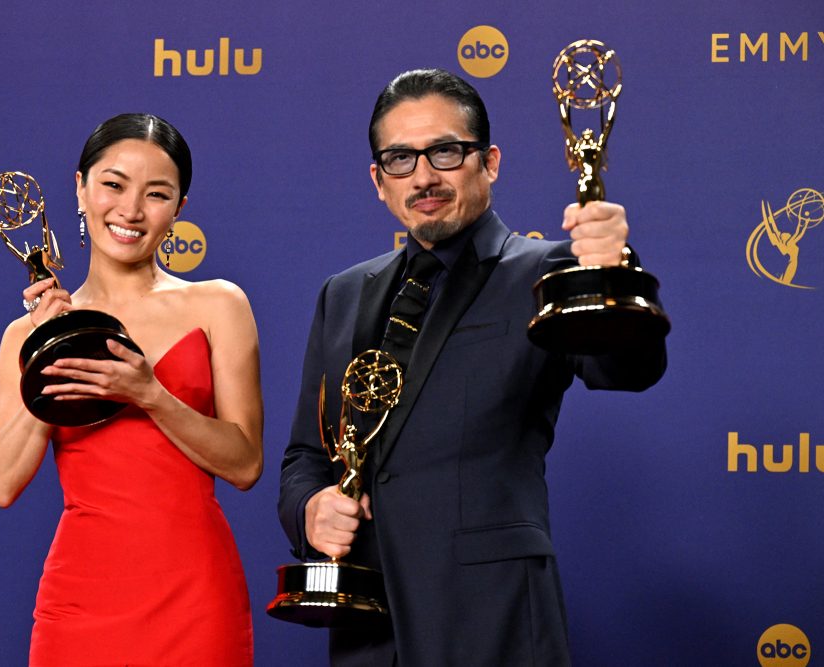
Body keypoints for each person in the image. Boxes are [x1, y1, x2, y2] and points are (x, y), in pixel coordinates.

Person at [277, 69, 667, 666]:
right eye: (400, 159)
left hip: (492, 622)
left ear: (489, 163)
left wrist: (609, 270)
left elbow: (626, 367)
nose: (424, 176)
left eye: (445, 152)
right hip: (368, 631)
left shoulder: (548, 270)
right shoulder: (343, 293)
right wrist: (311, 510)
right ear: (379, 181)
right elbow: (306, 455)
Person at [0, 113, 262, 666]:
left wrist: (149, 393)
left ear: (178, 209)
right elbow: (1, 483)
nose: (131, 210)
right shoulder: (26, 333)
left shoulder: (219, 305)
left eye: (157, 194)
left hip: (195, 594)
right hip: (81, 596)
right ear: (80, 188)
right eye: (113, 184)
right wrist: (52, 350)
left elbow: (245, 464)